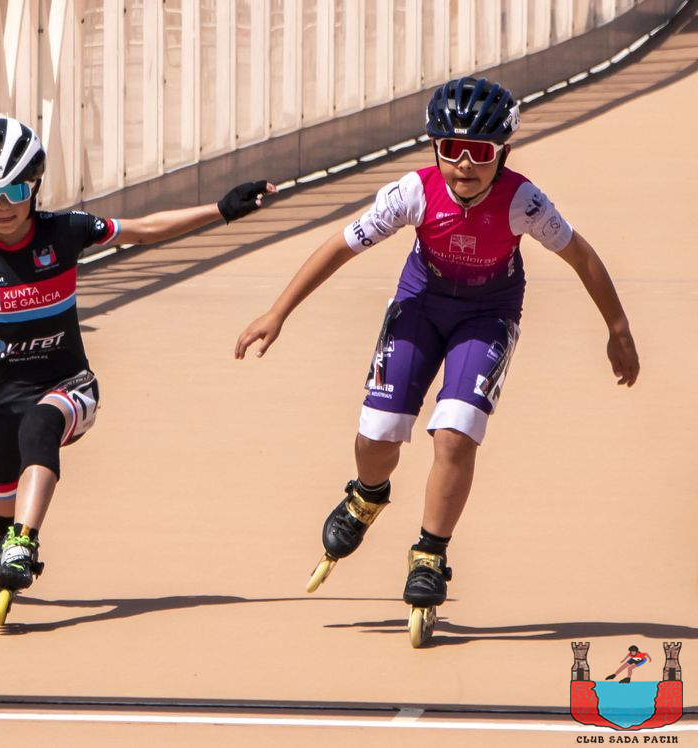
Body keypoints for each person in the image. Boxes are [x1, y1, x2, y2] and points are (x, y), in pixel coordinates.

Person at [235, 77, 639, 613]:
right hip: (421, 305)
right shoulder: (413, 193)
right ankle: (367, 494)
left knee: (455, 433)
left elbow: (581, 255)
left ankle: (430, 552)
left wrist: (618, 328)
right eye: (452, 149)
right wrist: (278, 312)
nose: (465, 165)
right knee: (378, 432)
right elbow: (341, 247)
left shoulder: (523, 201)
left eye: (481, 153)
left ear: (504, 153)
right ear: (434, 148)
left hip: (487, 314)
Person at [0, 117, 274, 599]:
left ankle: (23, 542)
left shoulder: (64, 232)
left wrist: (220, 209)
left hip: (69, 384)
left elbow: (143, 231)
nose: (3, 206)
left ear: (34, 186)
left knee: (42, 425)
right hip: (3, 400)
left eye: (15, 190)